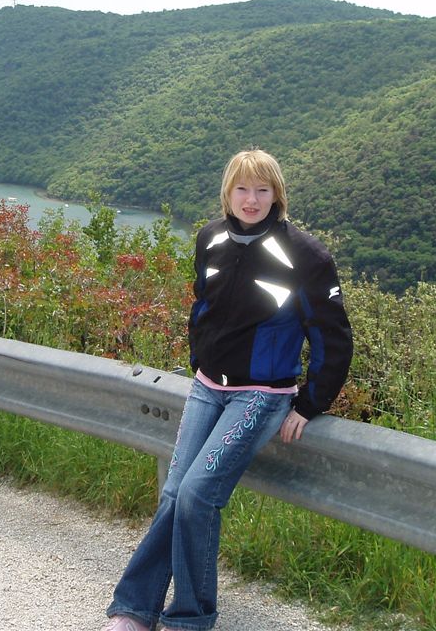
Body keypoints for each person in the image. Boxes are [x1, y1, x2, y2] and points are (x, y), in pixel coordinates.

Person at [102, 149, 353, 631]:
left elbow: (333, 337)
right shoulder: (211, 238)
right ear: (228, 192)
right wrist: (201, 361)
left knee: (197, 494)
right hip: (206, 388)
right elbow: (203, 307)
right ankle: (134, 609)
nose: (251, 199)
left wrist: (310, 403)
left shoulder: (306, 256)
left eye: (262, 189)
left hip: (261, 395)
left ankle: (190, 619)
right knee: (174, 494)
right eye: (242, 188)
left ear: (277, 194)